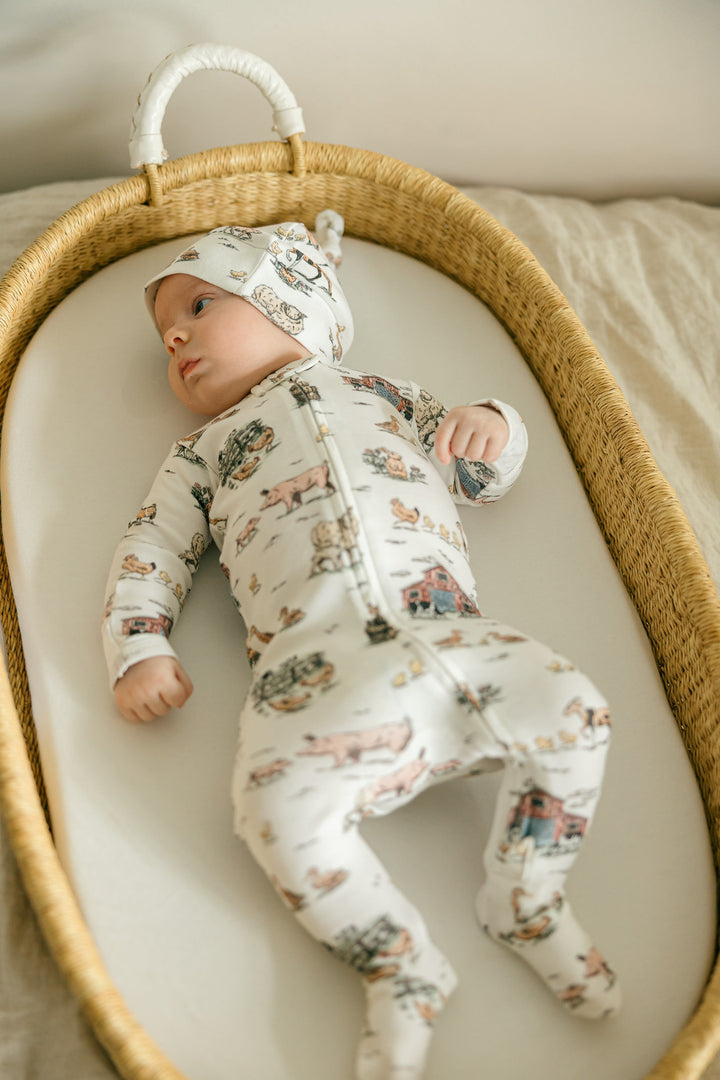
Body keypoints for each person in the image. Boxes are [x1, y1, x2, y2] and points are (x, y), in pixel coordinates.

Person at [102, 213, 620, 1079]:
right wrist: (139, 642)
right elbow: (151, 549)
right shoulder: (200, 455)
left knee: (576, 710)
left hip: (456, 635)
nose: (178, 337)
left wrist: (494, 425)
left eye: (197, 303)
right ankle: (400, 964)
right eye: (166, 339)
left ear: (292, 302)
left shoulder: (383, 394)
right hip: (316, 676)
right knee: (271, 809)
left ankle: (526, 895)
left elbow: (477, 473)